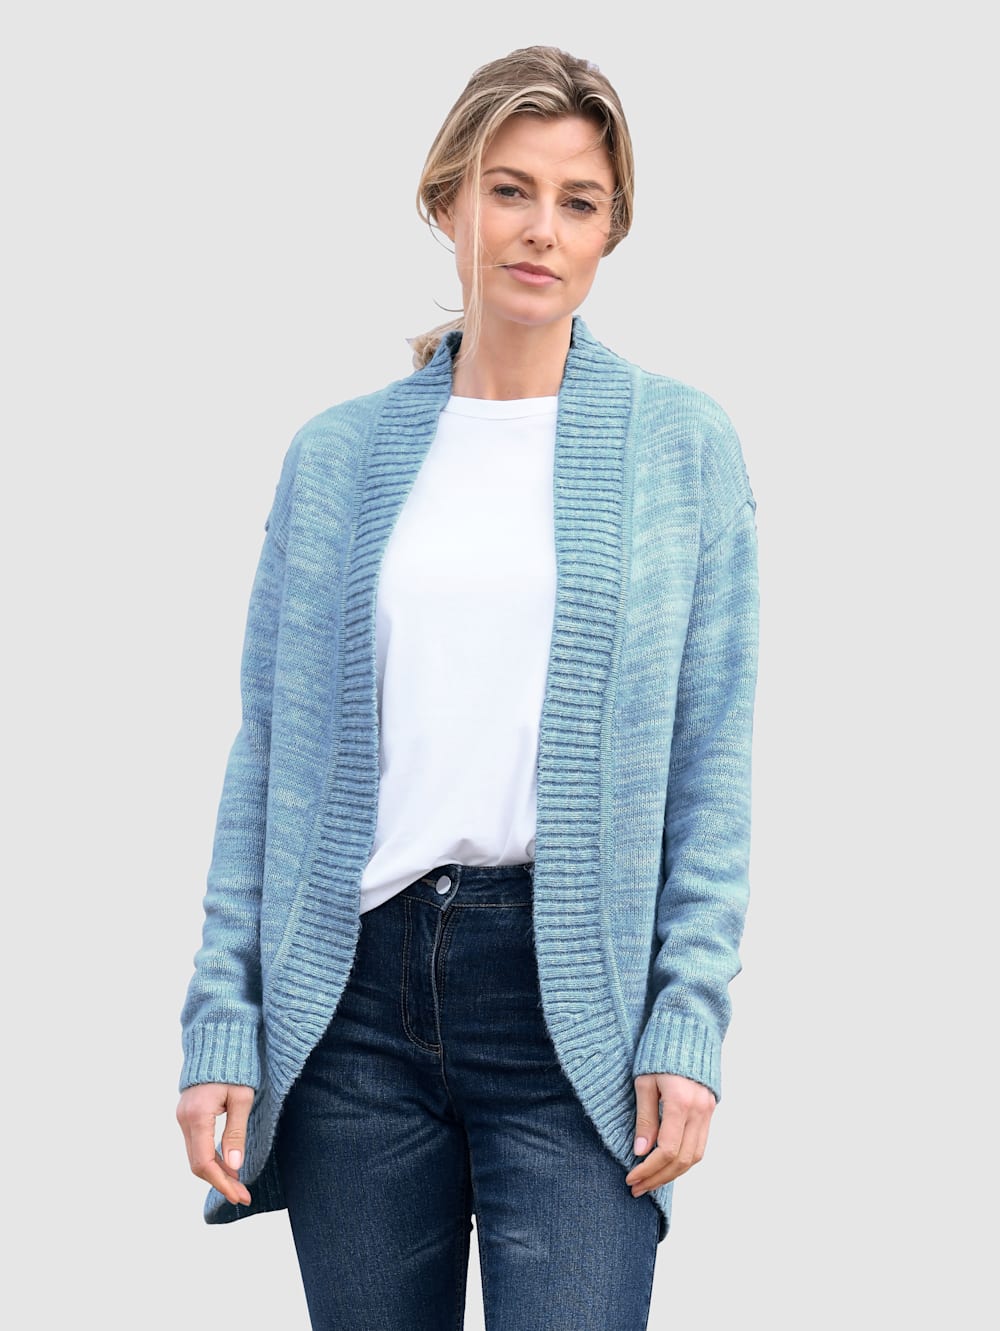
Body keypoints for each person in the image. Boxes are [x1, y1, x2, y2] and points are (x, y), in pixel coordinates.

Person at [176, 44, 760, 1331]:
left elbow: (710, 763)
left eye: (578, 201)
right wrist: (223, 1018)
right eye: (509, 189)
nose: (541, 229)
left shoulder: (681, 448)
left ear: (609, 232)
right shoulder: (335, 456)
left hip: (574, 1010)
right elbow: (267, 757)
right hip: (355, 1009)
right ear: (448, 202)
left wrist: (687, 1021)